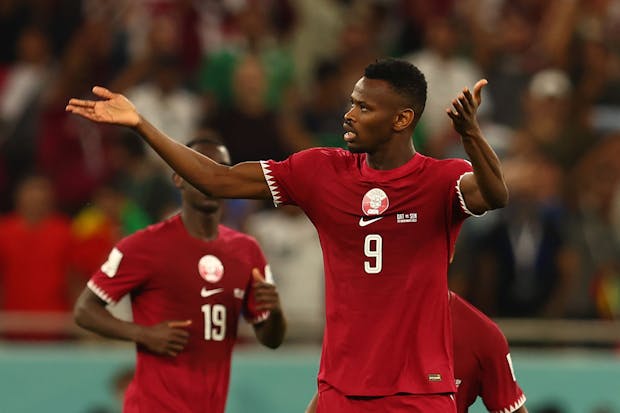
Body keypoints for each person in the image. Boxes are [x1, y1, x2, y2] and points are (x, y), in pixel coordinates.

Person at [67, 58, 508, 412]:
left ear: (402, 119)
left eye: (364, 108)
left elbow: (495, 194)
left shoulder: (440, 180)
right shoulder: (320, 171)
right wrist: (141, 124)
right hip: (341, 391)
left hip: (419, 394)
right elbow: (219, 180)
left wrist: (470, 135)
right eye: (352, 102)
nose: (349, 115)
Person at [73, 137, 286, 413]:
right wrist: (144, 334)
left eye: (221, 169)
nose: (211, 177)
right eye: (200, 167)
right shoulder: (145, 246)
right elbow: (84, 310)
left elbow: (271, 340)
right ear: (178, 178)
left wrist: (277, 312)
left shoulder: (247, 251)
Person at [305, 290, 528, 413]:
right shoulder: (367, 325)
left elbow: (510, 406)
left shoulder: (482, 335)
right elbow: (332, 393)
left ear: (448, 253)